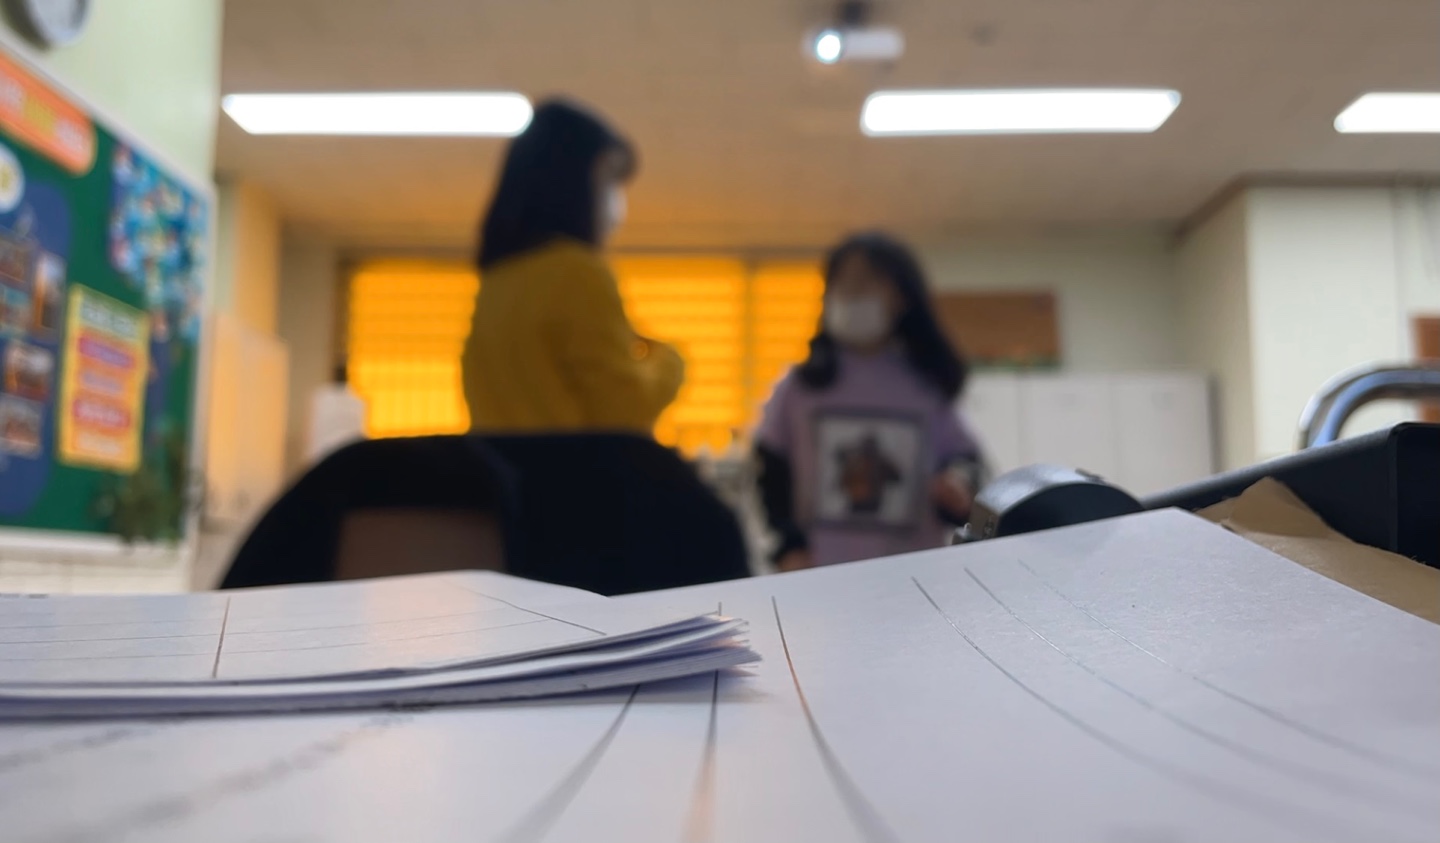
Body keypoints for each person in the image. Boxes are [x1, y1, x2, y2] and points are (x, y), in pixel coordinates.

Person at [754, 232, 986, 570]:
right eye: (841, 283)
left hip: (913, 571)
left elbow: (964, 462)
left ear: (902, 297)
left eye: (865, 283)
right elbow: (770, 473)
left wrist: (956, 485)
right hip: (818, 572)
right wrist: (788, 546)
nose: (851, 293)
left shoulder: (923, 384)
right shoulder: (802, 384)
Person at [463, 99, 683, 434]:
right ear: (572, 181)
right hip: (570, 467)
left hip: (502, 468)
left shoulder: (496, 282)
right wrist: (670, 363)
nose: (615, 200)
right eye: (608, 178)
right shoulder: (577, 274)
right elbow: (625, 412)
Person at [306, 362, 368, 465]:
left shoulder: (356, 399)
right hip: (324, 448)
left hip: (347, 448)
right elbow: (314, 427)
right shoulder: (323, 396)